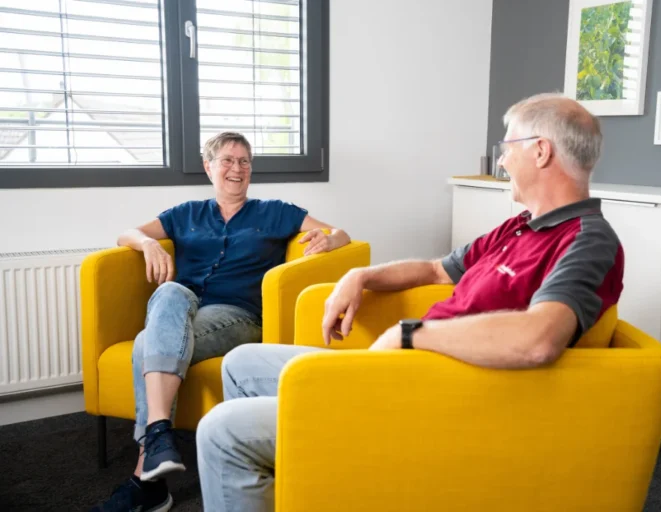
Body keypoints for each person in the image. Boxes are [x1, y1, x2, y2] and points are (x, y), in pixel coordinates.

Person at [195, 93, 625, 511]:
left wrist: (411, 334)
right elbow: (436, 270)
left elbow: (540, 338)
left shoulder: (587, 239)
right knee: (242, 361)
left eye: (506, 146)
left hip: (435, 399)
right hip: (404, 372)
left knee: (220, 431)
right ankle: (310, 484)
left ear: (540, 152)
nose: (500, 160)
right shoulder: (519, 227)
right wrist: (359, 275)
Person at [89, 131, 351, 512]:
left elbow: (341, 234)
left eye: (244, 161)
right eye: (227, 160)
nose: (237, 168)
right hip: (187, 310)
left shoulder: (274, 211)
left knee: (150, 341)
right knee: (168, 293)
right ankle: (160, 438)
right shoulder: (187, 214)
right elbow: (126, 234)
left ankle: (149, 475)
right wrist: (146, 244)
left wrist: (330, 239)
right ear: (208, 167)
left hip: (239, 317)